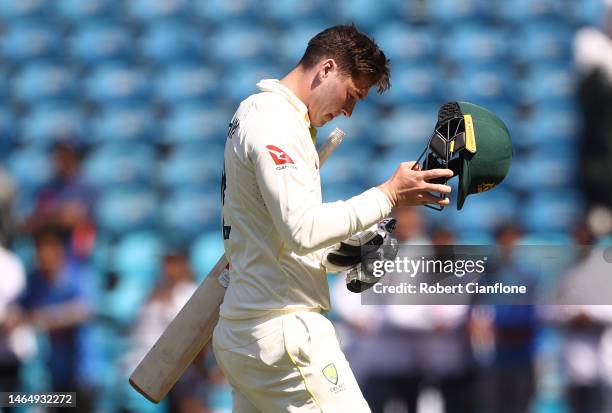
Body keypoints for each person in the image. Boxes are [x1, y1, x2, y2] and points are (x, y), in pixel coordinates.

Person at [212, 24, 453, 412]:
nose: (348, 110)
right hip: (282, 332)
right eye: (351, 94)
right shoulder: (276, 122)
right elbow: (302, 230)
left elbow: (283, 238)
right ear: (325, 69)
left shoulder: (261, 113)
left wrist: (343, 250)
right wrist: (388, 195)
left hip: (252, 330)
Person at [10, 226, 99, 412]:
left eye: (50, 247)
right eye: (40, 248)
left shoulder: (77, 276)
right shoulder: (35, 281)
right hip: (51, 375)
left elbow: (83, 311)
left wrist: (42, 318)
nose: (44, 254)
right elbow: (19, 311)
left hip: (81, 373)